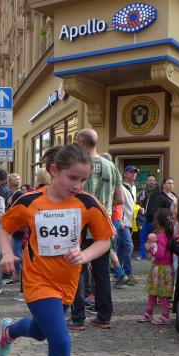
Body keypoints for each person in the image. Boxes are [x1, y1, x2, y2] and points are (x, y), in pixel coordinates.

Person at [0, 144, 114, 356]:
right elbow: (5, 229)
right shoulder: (29, 201)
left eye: (83, 180)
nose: (78, 185)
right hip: (37, 281)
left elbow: (104, 239)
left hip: (67, 285)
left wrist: (85, 255)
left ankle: (10, 331)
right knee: (60, 341)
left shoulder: (87, 203)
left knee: (40, 332)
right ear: (54, 171)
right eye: (72, 178)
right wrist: (7, 253)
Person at [70, 128, 122, 330]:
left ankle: (78, 319)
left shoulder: (79, 165)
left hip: (81, 226)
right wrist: (104, 204)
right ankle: (104, 317)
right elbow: (120, 198)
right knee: (102, 274)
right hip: (103, 227)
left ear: (82, 142)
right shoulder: (111, 166)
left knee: (77, 271)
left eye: (76, 140)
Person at [135, 209, 176, 324]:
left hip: (162, 269)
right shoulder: (169, 235)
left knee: (161, 294)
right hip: (162, 268)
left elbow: (160, 254)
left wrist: (149, 248)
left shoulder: (162, 237)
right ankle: (149, 313)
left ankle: (164, 316)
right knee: (154, 292)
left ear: (157, 222)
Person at [6, 174, 25, 289]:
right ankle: (17, 276)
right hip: (15, 227)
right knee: (15, 252)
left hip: (18, 228)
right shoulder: (14, 194)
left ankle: (24, 271)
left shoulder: (18, 195)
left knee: (16, 253)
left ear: (10, 183)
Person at [137, 175, 160, 260]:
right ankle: (142, 255)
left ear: (155, 182)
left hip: (155, 220)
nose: (151, 182)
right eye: (149, 180)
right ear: (147, 182)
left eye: (153, 180)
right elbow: (136, 203)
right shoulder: (142, 192)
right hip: (144, 219)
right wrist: (140, 200)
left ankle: (154, 255)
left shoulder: (159, 193)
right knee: (143, 238)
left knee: (155, 239)